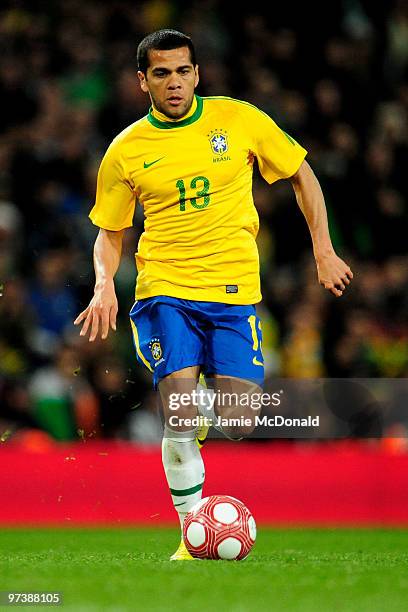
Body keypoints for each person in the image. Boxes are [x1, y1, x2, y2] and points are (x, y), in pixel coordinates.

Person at [74, 29, 353, 560]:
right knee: (178, 408)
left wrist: (323, 250)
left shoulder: (238, 119)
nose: (174, 83)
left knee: (241, 421)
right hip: (164, 290)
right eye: (161, 73)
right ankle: (190, 533)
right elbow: (110, 233)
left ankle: (200, 413)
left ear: (197, 74)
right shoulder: (126, 151)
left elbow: (302, 174)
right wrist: (104, 282)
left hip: (233, 292)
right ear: (143, 81)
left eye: (183, 71)